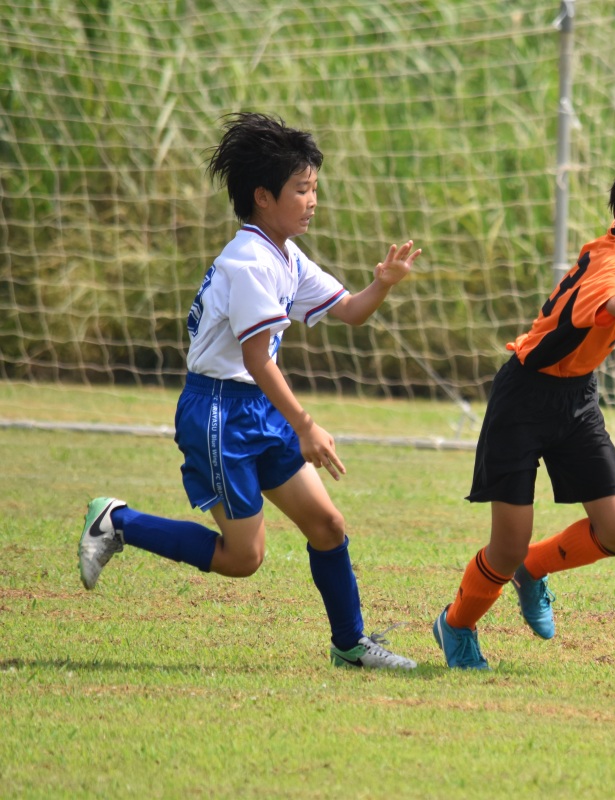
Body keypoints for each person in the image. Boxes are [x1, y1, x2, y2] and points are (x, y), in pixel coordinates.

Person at [78, 112, 421, 670]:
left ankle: (350, 646)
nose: (313, 201)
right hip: (219, 411)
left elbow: (351, 311)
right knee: (244, 558)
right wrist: (305, 425)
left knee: (328, 525)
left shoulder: (283, 253)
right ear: (263, 196)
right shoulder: (249, 262)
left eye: (314, 188)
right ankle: (118, 522)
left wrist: (381, 284)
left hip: (256, 408)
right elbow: (258, 360)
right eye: (302, 190)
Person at [432, 155, 615, 669]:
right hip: (524, 399)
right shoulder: (610, 261)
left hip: (576, 398)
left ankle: (532, 569)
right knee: (506, 546)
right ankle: (456, 624)